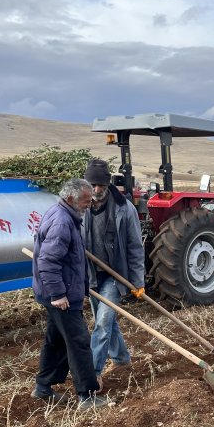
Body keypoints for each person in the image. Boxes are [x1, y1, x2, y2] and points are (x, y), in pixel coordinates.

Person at [31, 178, 108, 411]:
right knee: (79, 342)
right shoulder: (62, 222)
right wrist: (58, 294)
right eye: (86, 200)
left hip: (60, 292)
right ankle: (87, 395)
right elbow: (47, 260)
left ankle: (43, 387)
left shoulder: (63, 215)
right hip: (61, 296)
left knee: (56, 342)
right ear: (71, 198)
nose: (89, 203)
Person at [81, 159, 146, 387]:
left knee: (102, 323)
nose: (97, 190)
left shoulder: (123, 208)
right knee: (108, 321)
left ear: (108, 184)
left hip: (114, 275)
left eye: (101, 185)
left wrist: (138, 281)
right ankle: (121, 359)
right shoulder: (81, 206)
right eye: (92, 185)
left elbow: (135, 247)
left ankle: (93, 373)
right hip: (91, 274)